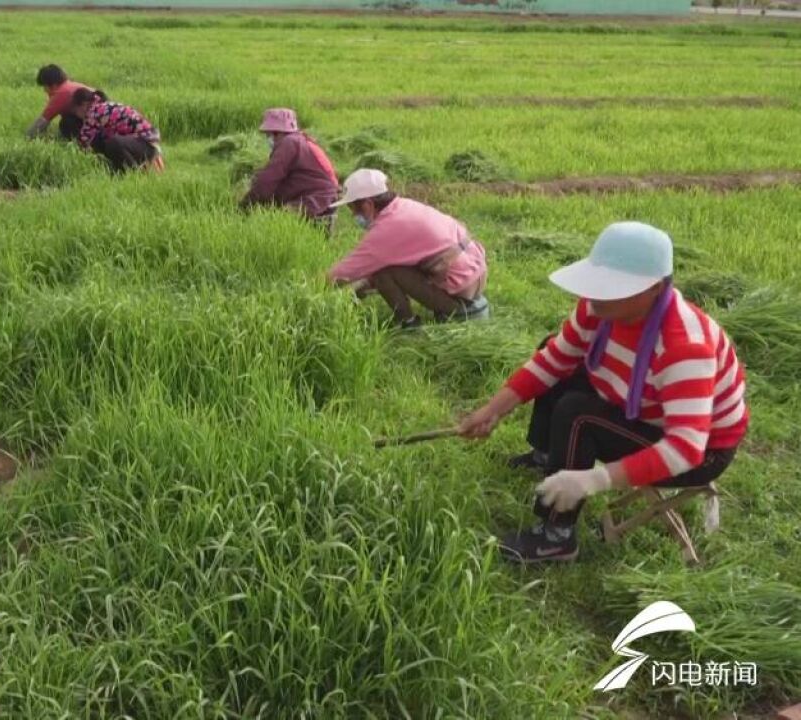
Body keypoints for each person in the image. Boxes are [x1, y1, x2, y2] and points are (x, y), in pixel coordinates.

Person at [458, 222, 748, 564]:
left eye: (611, 289)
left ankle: (556, 535)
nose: (595, 298)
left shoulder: (684, 346)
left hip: (700, 451)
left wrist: (593, 480)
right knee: (556, 358)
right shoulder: (598, 309)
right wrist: (493, 409)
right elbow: (554, 360)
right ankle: (546, 457)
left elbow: (686, 449)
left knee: (578, 413)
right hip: (641, 405)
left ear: (654, 288)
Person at [328, 169, 490, 329]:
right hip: (474, 275)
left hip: (460, 292)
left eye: (353, 209)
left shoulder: (387, 229)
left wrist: (312, 287)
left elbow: (343, 273)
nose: (353, 215)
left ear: (368, 204)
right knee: (383, 270)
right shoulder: (404, 207)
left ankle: (408, 323)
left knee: (383, 273)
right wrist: (358, 290)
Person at [239, 108, 340, 234]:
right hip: (324, 199)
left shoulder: (289, 143)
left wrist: (243, 208)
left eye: (271, 134)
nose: (270, 139)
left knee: (276, 227)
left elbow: (267, 181)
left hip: (314, 199)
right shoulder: (301, 140)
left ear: (279, 133)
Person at [70, 88, 162, 174]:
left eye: (75, 112)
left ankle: (134, 174)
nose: (77, 116)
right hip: (144, 143)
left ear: (83, 105)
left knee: (113, 143)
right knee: (106, 141)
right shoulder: (103, 106)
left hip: (145, 145)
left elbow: (82, 141)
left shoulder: (93, 113)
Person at [26, 65, 105, 142]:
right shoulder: (70, 85)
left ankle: (85, 140)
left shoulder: (61, 93)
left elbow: (42, 122)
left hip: (98, 120)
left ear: (53, 85)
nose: (44, 90)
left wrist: (27, 136)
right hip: (105, 115)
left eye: (44, 87)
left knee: (66, 123)